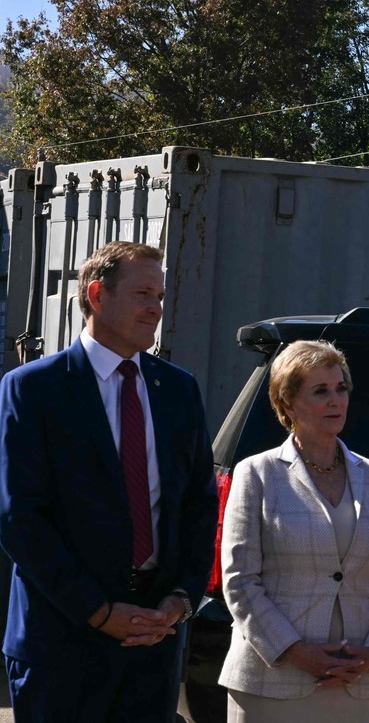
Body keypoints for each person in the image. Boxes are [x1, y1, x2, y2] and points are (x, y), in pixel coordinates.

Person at [0, 241, 218, 721]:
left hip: (154, 643)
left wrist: (180, 600)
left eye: (160, 296)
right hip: (63, 643)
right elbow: (20, 518)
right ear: (97, 295)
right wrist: (99, 612)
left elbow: (200, 505)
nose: (156, 309)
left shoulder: (178, 389)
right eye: (143, 294)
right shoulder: (35, 389)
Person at [219, 339, 369, 721]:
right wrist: (294, 650)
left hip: (353, 681)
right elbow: (240, 581)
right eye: (320, 391)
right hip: (272, 679)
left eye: (341, 389)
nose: (335, 400)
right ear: (288, 403)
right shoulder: (257, 473)